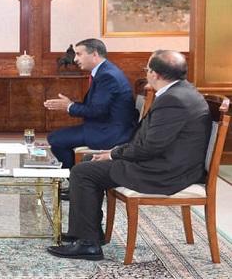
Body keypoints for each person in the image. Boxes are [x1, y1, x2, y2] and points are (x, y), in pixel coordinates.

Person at [47, 50, 211, 261]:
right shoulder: (183, 91)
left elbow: (150, 147)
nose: (146, 72)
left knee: (83, 172)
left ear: (154, 74)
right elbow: (149, 141)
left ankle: (88, 245)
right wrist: (113, 153)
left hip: (165, 172)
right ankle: (88, 232)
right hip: (170, 162)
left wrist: (114, 154)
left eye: (147, 69)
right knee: (89, 162)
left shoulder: (173, 100)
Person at [44, 38, 137, 169]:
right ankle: (73, 173)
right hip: (105, 126)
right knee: (55, 136)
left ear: (94, 54)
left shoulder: (107, 76)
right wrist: (70, 105)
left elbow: (97, 111)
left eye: (79, 54)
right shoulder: (105, 71)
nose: (75, 59)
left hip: (109, 132)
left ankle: (72, 175)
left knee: (56, 139)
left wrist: (69, 106)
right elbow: (96, 107)